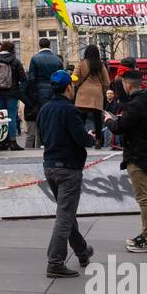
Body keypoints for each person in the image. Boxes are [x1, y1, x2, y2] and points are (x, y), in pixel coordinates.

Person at [37, 69, 94, 278]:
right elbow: (80, 138)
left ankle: (82, 251)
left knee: (66, 213)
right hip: (68, 168)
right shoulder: (69, 110)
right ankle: (55, 262)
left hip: (50, 166)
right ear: (68, 87)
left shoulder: (45, 109)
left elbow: (42, 135)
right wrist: (89, 137)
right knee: (64, 216)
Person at [104, 69, 147, 253]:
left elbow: (119, 127)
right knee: (145, 197)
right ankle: (146, 235)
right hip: (146, 152)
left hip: (137, 155)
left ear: (127, 85)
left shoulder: (135, 105)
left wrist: (109, 120)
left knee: (143, 198)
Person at [24, 37, 64, 149]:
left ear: (39, 46)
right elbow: (61, 75)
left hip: (40, 90)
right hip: (55, 90)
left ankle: (42, 141)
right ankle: (55, 139)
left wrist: (33, 92)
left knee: (42, 116)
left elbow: (31, 78)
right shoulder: (57, 59)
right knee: (55, 116)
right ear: (50, 45)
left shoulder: (35, 59)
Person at [0, 41, 28, 151]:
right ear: (12, 49)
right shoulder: (15, 61)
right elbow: (23, 79)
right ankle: (13, 142)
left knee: (1, 117)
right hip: (12, 93)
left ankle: (2, 142)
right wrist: (19, 90)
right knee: (12, 116)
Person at [73, 45, 110, 149]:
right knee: (97, 119)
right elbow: (107, 81)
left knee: (81, 119)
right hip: (96, 93)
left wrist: (77, 84)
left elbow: (74, 78)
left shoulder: (81, 63)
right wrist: (102, 88)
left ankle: (80, 140)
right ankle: (98, 141)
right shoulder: (100, 65)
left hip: (83, 93)